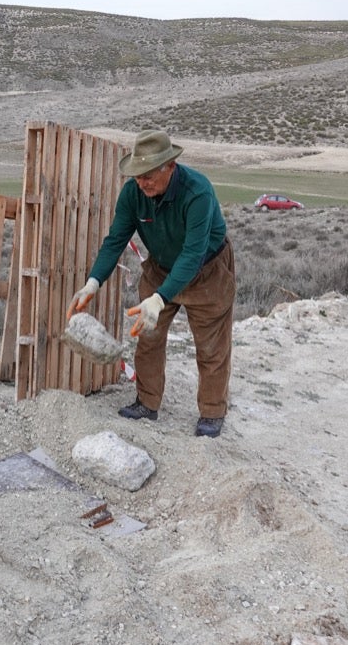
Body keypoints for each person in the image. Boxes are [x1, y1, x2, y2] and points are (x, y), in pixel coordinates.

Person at [68, 129, 235, 438]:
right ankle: (147, 402)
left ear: (169, 167)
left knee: (211, 346)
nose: (141, 182)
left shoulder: (198, 191)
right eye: (137, 175)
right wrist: (93, 282)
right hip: (160, 267)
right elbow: (116, 239)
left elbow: (193, 253)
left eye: (147, 175)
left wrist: (159, 299)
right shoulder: (134, 194)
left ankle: (212, 412)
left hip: (207, 270)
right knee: (148, 337)